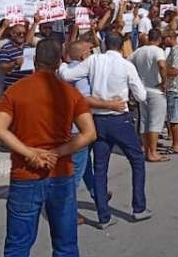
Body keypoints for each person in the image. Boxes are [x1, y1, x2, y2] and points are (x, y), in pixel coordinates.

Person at [0, 39, 96, 256]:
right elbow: (89, 133)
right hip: (60, 171)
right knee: (65, 244)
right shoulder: (71, 93)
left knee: (18, 246)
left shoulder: (15, 91)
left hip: (25, 172)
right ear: (60, 62)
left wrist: (30, 153)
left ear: (35, 60)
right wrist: (56, 153)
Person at [58, 32, 151, 229]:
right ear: (122, 45)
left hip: (98, 120)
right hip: (120, 119)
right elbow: (141, 96)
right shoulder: (126, 65)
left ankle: (104, 216)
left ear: (104, 43)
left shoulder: (93, 61)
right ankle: (139, 207)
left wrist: (63, 60)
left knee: (100, 169)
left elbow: (65, 75)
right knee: (137, 160)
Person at [64, 40, 124, 224]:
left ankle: (98, 194)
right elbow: (84, 100)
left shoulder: (66, 70)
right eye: (90, 51)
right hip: (79, 130)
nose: (93, 54)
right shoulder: (79, 75)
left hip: (71, 127)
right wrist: (110, 104)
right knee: (74, 174)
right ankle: (67, 213)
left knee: (86, 168)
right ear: (83, 55)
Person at [129, 29, 168, 163]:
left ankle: (146, 149)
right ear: (159, 39)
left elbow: (129, 64)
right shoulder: (157, 51)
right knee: (155, 122)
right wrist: (164, 82)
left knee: (144, 121)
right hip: (156, 90)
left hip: (142, 90)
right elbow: (162, 65)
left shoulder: (138, 51)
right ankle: (152, 151)